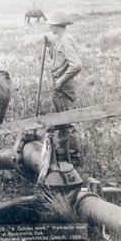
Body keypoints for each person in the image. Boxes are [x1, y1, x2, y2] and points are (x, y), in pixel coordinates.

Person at [46, 11, 82, 164]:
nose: (49, 27)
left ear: (56, 25)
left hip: (63, 89)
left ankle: (72, 159)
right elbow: (59, 60)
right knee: (62, 121)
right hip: (60, 88)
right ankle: (64, 155)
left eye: (51, 25)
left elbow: (76, 65)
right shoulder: (62, 39)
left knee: (67, 122)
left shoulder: (66, 40)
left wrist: (60, 80)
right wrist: (50, 48)